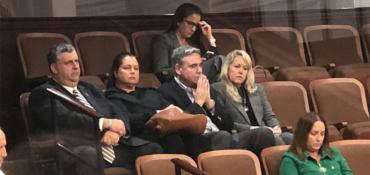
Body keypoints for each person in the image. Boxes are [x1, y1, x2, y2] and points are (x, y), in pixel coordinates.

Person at [28, 43, 162, 174]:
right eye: (68, 63)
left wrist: (116, 131)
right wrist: (104, 123)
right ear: (54, 68)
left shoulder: (88, 88)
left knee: (152, 149)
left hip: (110, 146)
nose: (75, 66)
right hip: (77, 148)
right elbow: (66, 120)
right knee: (89, 154)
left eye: (76, 61)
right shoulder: (44, 93)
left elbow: (117, 111)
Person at [158, 46, 275, 157]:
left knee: (263, 134)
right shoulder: (166, 92)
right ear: (178, 69)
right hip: (197, 142)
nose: (199, 71)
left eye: (200, 65)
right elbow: (177, 126)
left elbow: (228, 124)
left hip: (225, 137)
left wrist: (210, 104)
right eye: (193, 66)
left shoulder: (206, 86)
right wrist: (198, 103)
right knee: (222, 136)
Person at [105, 52, 185, 154]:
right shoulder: (112, 97)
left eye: (136, 68)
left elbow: (171, 109)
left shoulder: (150, 92)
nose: (132, 72)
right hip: (140, 139)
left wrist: (175, 111)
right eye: (127, 68)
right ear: (116, 73)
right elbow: (125, 121)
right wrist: (155, 114)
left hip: (168, 133)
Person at [212, 50, 293, 145]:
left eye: (245, 68)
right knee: (271, 137)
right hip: (243, 136)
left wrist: (276, 127)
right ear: (227, 68)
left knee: (291, 138)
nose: (241, 71)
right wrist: (255, 129)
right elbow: (226, 122)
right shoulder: (218, 89)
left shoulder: (257, 89)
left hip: (266, 132)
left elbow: (269, 115)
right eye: (237, 66)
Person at [151, 3, 223, 83]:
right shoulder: (164, 40)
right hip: (177, 82)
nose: (193, 29)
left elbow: (213, 64)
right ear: (178, 21)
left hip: (200, 81)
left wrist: (210, 38)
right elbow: (161, 73)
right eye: (190, 24)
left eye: (196, 25)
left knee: (220, 70)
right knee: (220, 60)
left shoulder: (194, 42)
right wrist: (186, 68)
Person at [279, 112, 353, 175]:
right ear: (303, 134)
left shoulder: (334, 153)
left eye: (322, 134)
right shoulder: (291, 160)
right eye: (314, 134)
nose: (319, 139)